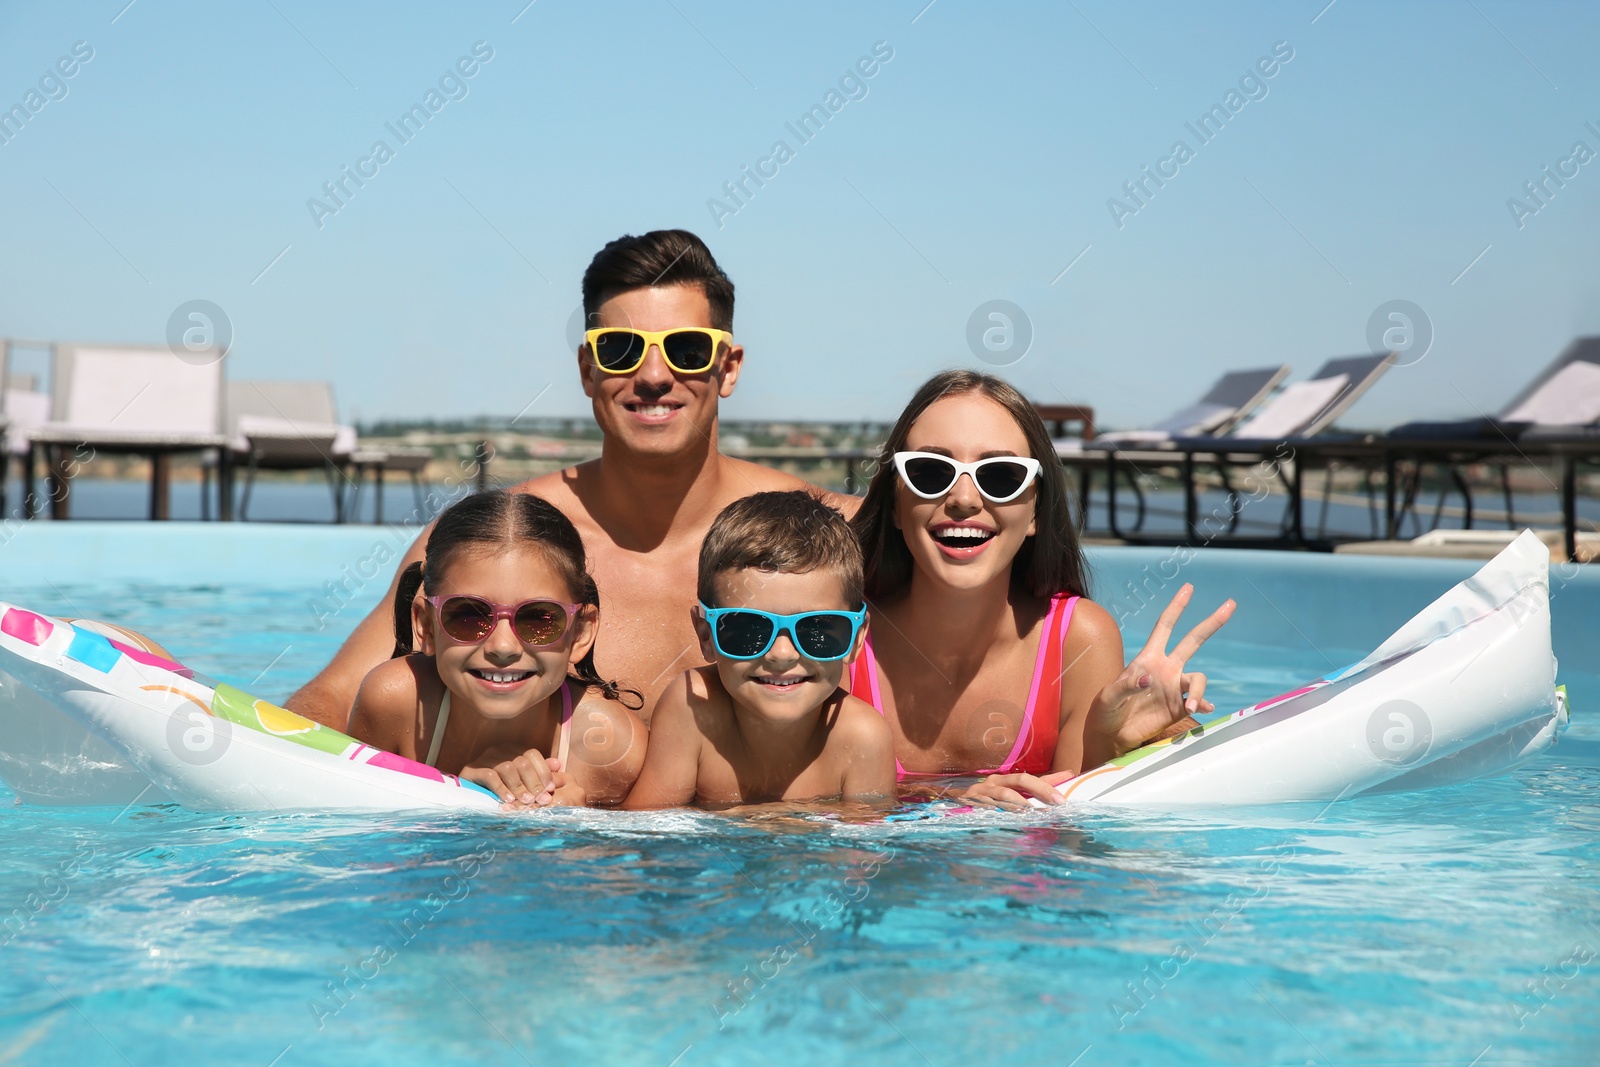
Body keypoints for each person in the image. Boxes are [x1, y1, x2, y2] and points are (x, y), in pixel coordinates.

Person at [286, 230, 853, 729]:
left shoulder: (836, 536)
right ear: (587, 370)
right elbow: (331, 701)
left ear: (727, 368)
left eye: (685, 349)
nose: (654, 376)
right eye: (622, 350)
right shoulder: (491, 543)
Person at [848, 370, 1236, 807]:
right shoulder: (835, 637)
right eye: (930, 472)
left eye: (1000, 476)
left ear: (1035, 512)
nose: (964, 499)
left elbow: (1074, 838)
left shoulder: (1078, 640)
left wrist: (1113, 746)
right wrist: (951, 803)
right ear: (896, 504)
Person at [346, 490, 646, 808]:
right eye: (467, 615)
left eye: (539, 618)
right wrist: (457, 792)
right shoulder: (394, 703)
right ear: (426, 625)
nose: (503, 646)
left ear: (580, 633)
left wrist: (572, 829)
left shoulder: (613, 749)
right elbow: (355, 826)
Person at [623, 491, 895, 809]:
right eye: (749, 629)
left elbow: (864, 854)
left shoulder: (861, 737)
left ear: (856, 637)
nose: (782, 654)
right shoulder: (693, 707)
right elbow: (646, 835)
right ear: (705, 634)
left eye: (817, 629)